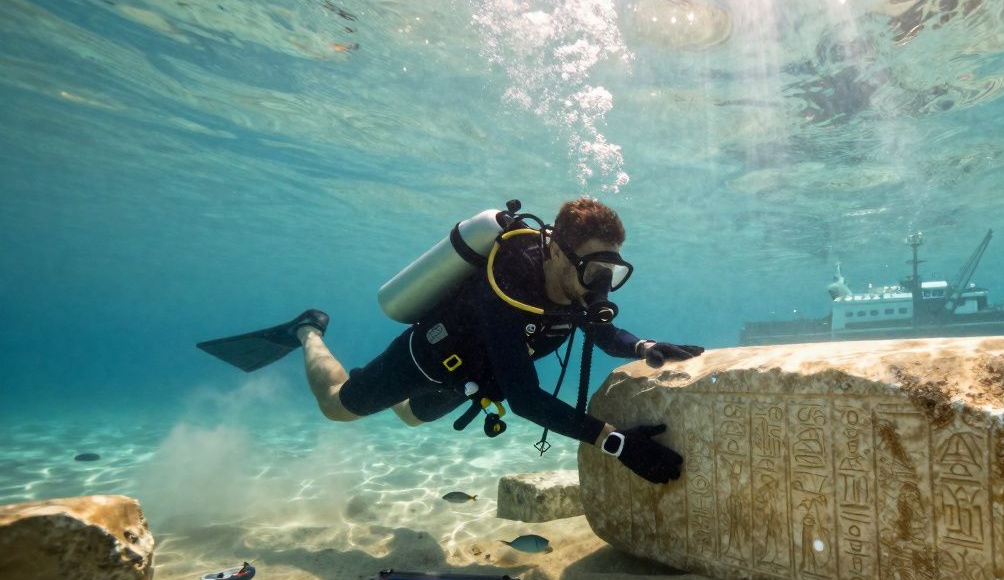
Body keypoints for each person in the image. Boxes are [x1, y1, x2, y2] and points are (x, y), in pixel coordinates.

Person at [200, 199, 702, 484]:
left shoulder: (576, 285)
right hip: (428, 361)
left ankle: (377, 385)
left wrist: (643, 346)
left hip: (474, 383)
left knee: (411, 416)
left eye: (611, 271)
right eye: (593, 268)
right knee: (339, 406)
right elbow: (526, 399)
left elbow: (602, 330)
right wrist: (615, 444)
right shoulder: (504, 284)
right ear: (553, 251)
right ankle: (307, 329)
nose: (600, 283)